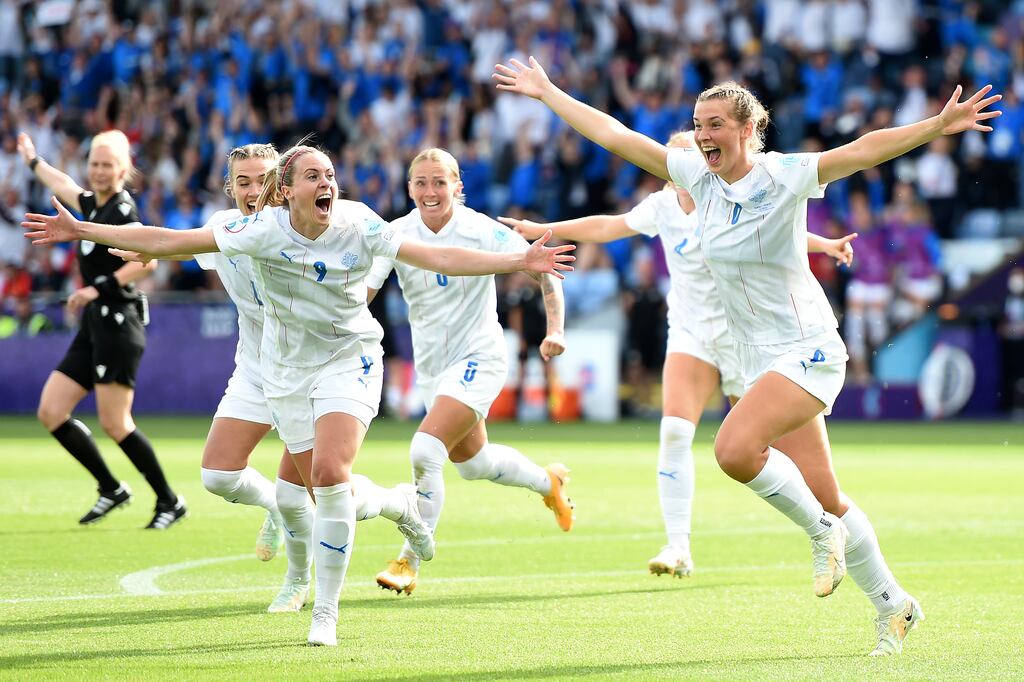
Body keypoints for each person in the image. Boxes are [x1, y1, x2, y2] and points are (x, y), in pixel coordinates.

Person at [494, 56, 1000, 655]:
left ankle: (818, 534)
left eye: (714, 124)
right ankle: (894, 604)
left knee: (733, 450)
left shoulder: (784, 174)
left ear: (746, 130)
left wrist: (933, 127)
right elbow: (614, 134)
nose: (702, 134)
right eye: (697, 123)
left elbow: (863, 150)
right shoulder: (692, 177)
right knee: (828, 493)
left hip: (809, 348)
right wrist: (550, 90)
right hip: (758, 355)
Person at [24, 142, 575, 647]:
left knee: (332, 477)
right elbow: (168, 242)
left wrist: (518, 262)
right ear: (287, 192)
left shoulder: (359, 221)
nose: (326, 182)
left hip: (350, 358)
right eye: (313, 175)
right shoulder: (258, 230)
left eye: (330, 174)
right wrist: (86, 233)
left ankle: (325, 615)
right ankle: (400, 504)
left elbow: (438, 257)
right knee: (306, 489)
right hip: (282, 371)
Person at [501, 130, 855, 580]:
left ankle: (824, 524)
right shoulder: (662, 207)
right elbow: (608, 226)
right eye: (680, 157)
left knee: (771, 456)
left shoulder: (729, 197)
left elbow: (777, 232)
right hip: (691, 333)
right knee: (673, 432)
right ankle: (677, 546)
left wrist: (824, 244)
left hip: (745, 337)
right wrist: (543, 230)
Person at [365, 148, 574, 596]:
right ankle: (547, 481)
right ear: (409, 190)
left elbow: (544, 270)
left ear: (458, 187)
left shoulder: (481, 229)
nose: (430, 191)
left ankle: (409, 560)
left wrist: (555, 327)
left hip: (480, 357)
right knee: (474, 464)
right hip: (433, 369)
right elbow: (364, 290)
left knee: (424, 450)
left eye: (439, 181)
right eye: (420, 182)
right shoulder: (395, 234)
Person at [17, 130, 186, 529]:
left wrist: (97, 288)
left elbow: (149, 263)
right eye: (94, 163)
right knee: (51, 411)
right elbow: (62, 185)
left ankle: (169, 500)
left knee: (116, 423)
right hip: (93, 326)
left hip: (118, 324)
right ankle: (110, 487)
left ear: (123, 169)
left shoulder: (124, 212)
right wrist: (32, 160)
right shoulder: (92, 205)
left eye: (107, 164)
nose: (98, 171)